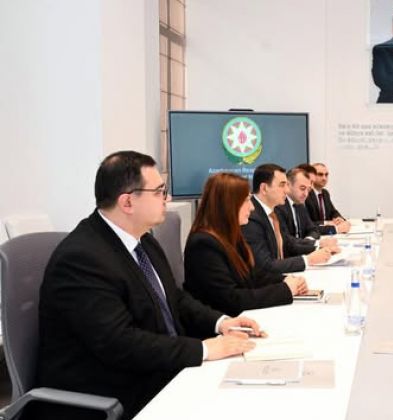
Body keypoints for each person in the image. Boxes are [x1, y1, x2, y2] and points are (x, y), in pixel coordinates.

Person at [34, 151, 261, 420]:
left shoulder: (143, 241)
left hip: (156, 371)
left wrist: (221, 322)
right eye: (159, 192)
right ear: (128, 202)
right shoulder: (82, 258)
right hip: (115, 395)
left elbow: (173, 298)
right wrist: (204, 349)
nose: (168, 198)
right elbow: (120, 343)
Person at [184, 172, 309, 317]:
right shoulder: (204, 245)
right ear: (228, 204)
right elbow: (232, 300)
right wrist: (285, 290)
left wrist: (285, 279)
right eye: (246, 200)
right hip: (224, 325)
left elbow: (252, 275)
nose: (252, 207)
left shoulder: (229, 236)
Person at [242, 163, 336, 274]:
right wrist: (308, 260)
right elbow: (264, 265)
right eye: (282, 185)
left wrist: (318, 248)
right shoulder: (251, 218)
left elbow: (287, 244)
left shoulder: (272, 212)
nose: (286, 190)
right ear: (264, 188)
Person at [276, 167, 338, 248]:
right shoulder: (279, 206)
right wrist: (314, 244)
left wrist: (308, 240)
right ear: (288, 185)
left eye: (308, 189)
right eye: (302, 188)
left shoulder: (299, 205)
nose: (306, 194)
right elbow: (287, 242)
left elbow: (313, 229)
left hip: (303, 250)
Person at [305, 162, 351, 233]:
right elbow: (307, 223)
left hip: (327, 233)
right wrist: (326, 223)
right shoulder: (306, 195)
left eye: (326, 175)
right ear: (312, 177)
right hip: (316, 233)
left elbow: (333, 212)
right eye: (320, 174)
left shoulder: (325, 193)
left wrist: (339, 218)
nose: (324, 178)